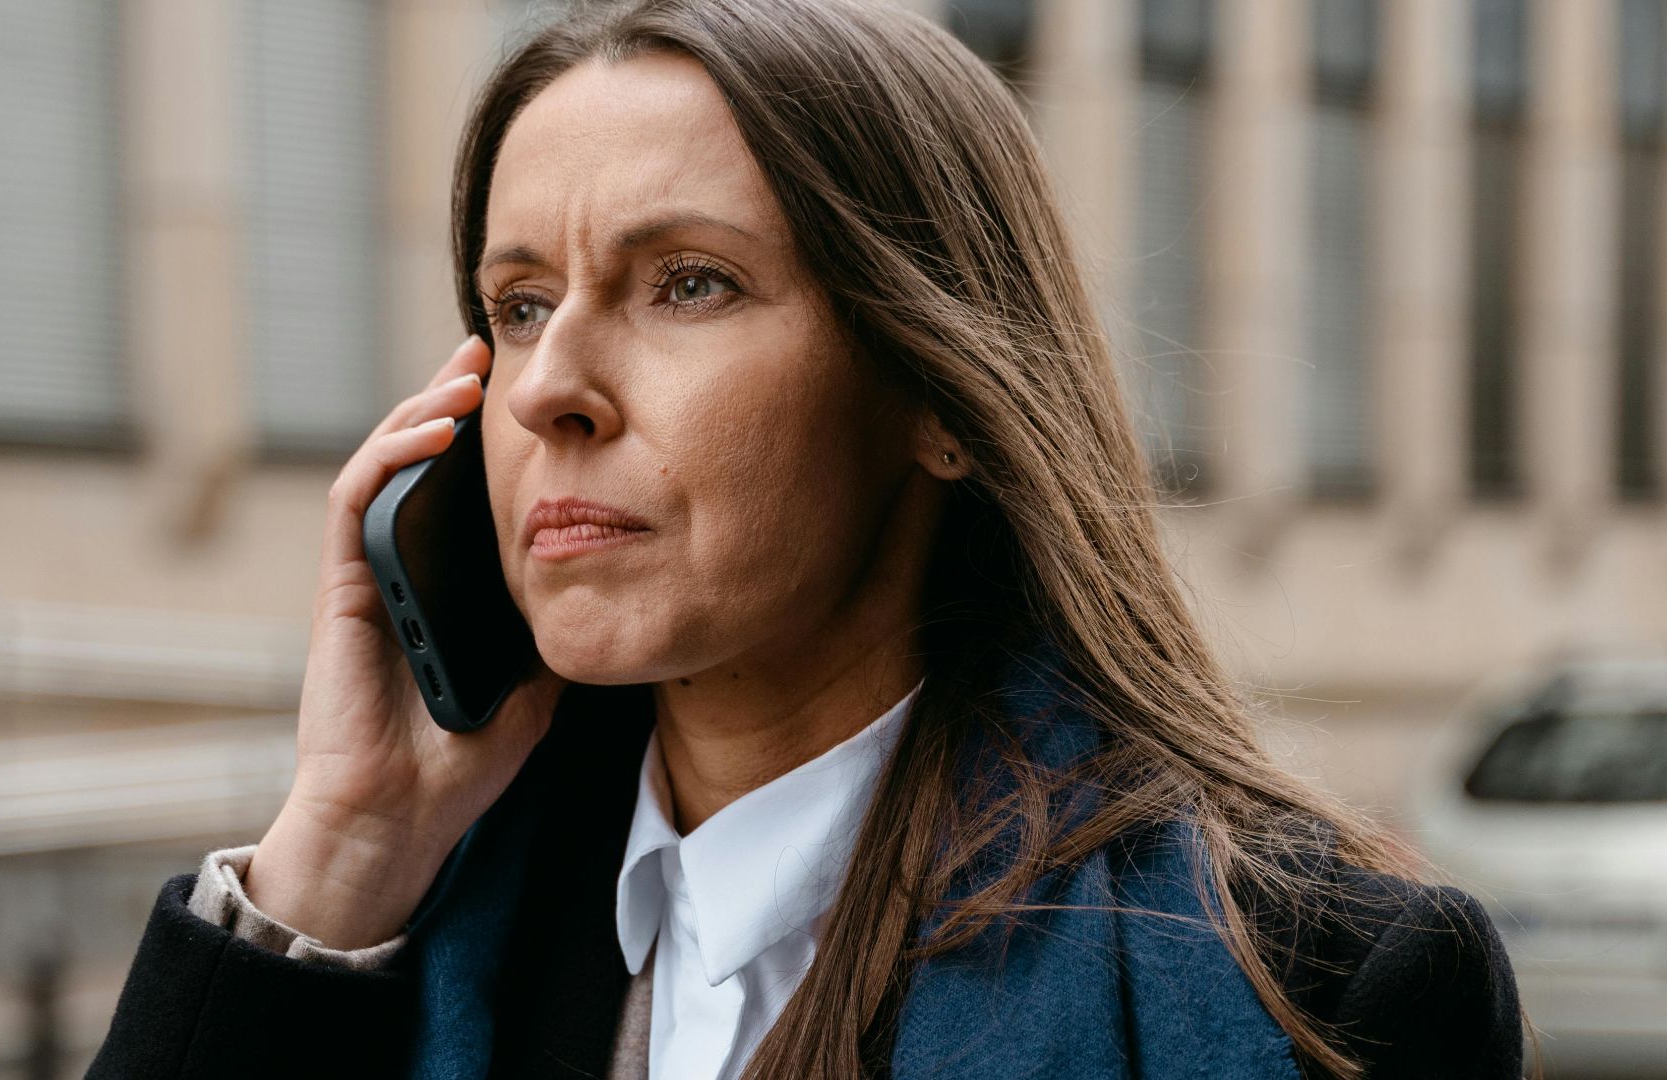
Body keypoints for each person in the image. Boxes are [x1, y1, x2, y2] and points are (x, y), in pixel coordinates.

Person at [87, 1, 1525, 1076]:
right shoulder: (397, 930)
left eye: (687, 284)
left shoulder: (1324, 982)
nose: (545, 389)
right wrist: (347, 843)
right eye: (518, 305)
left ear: (938, 396)